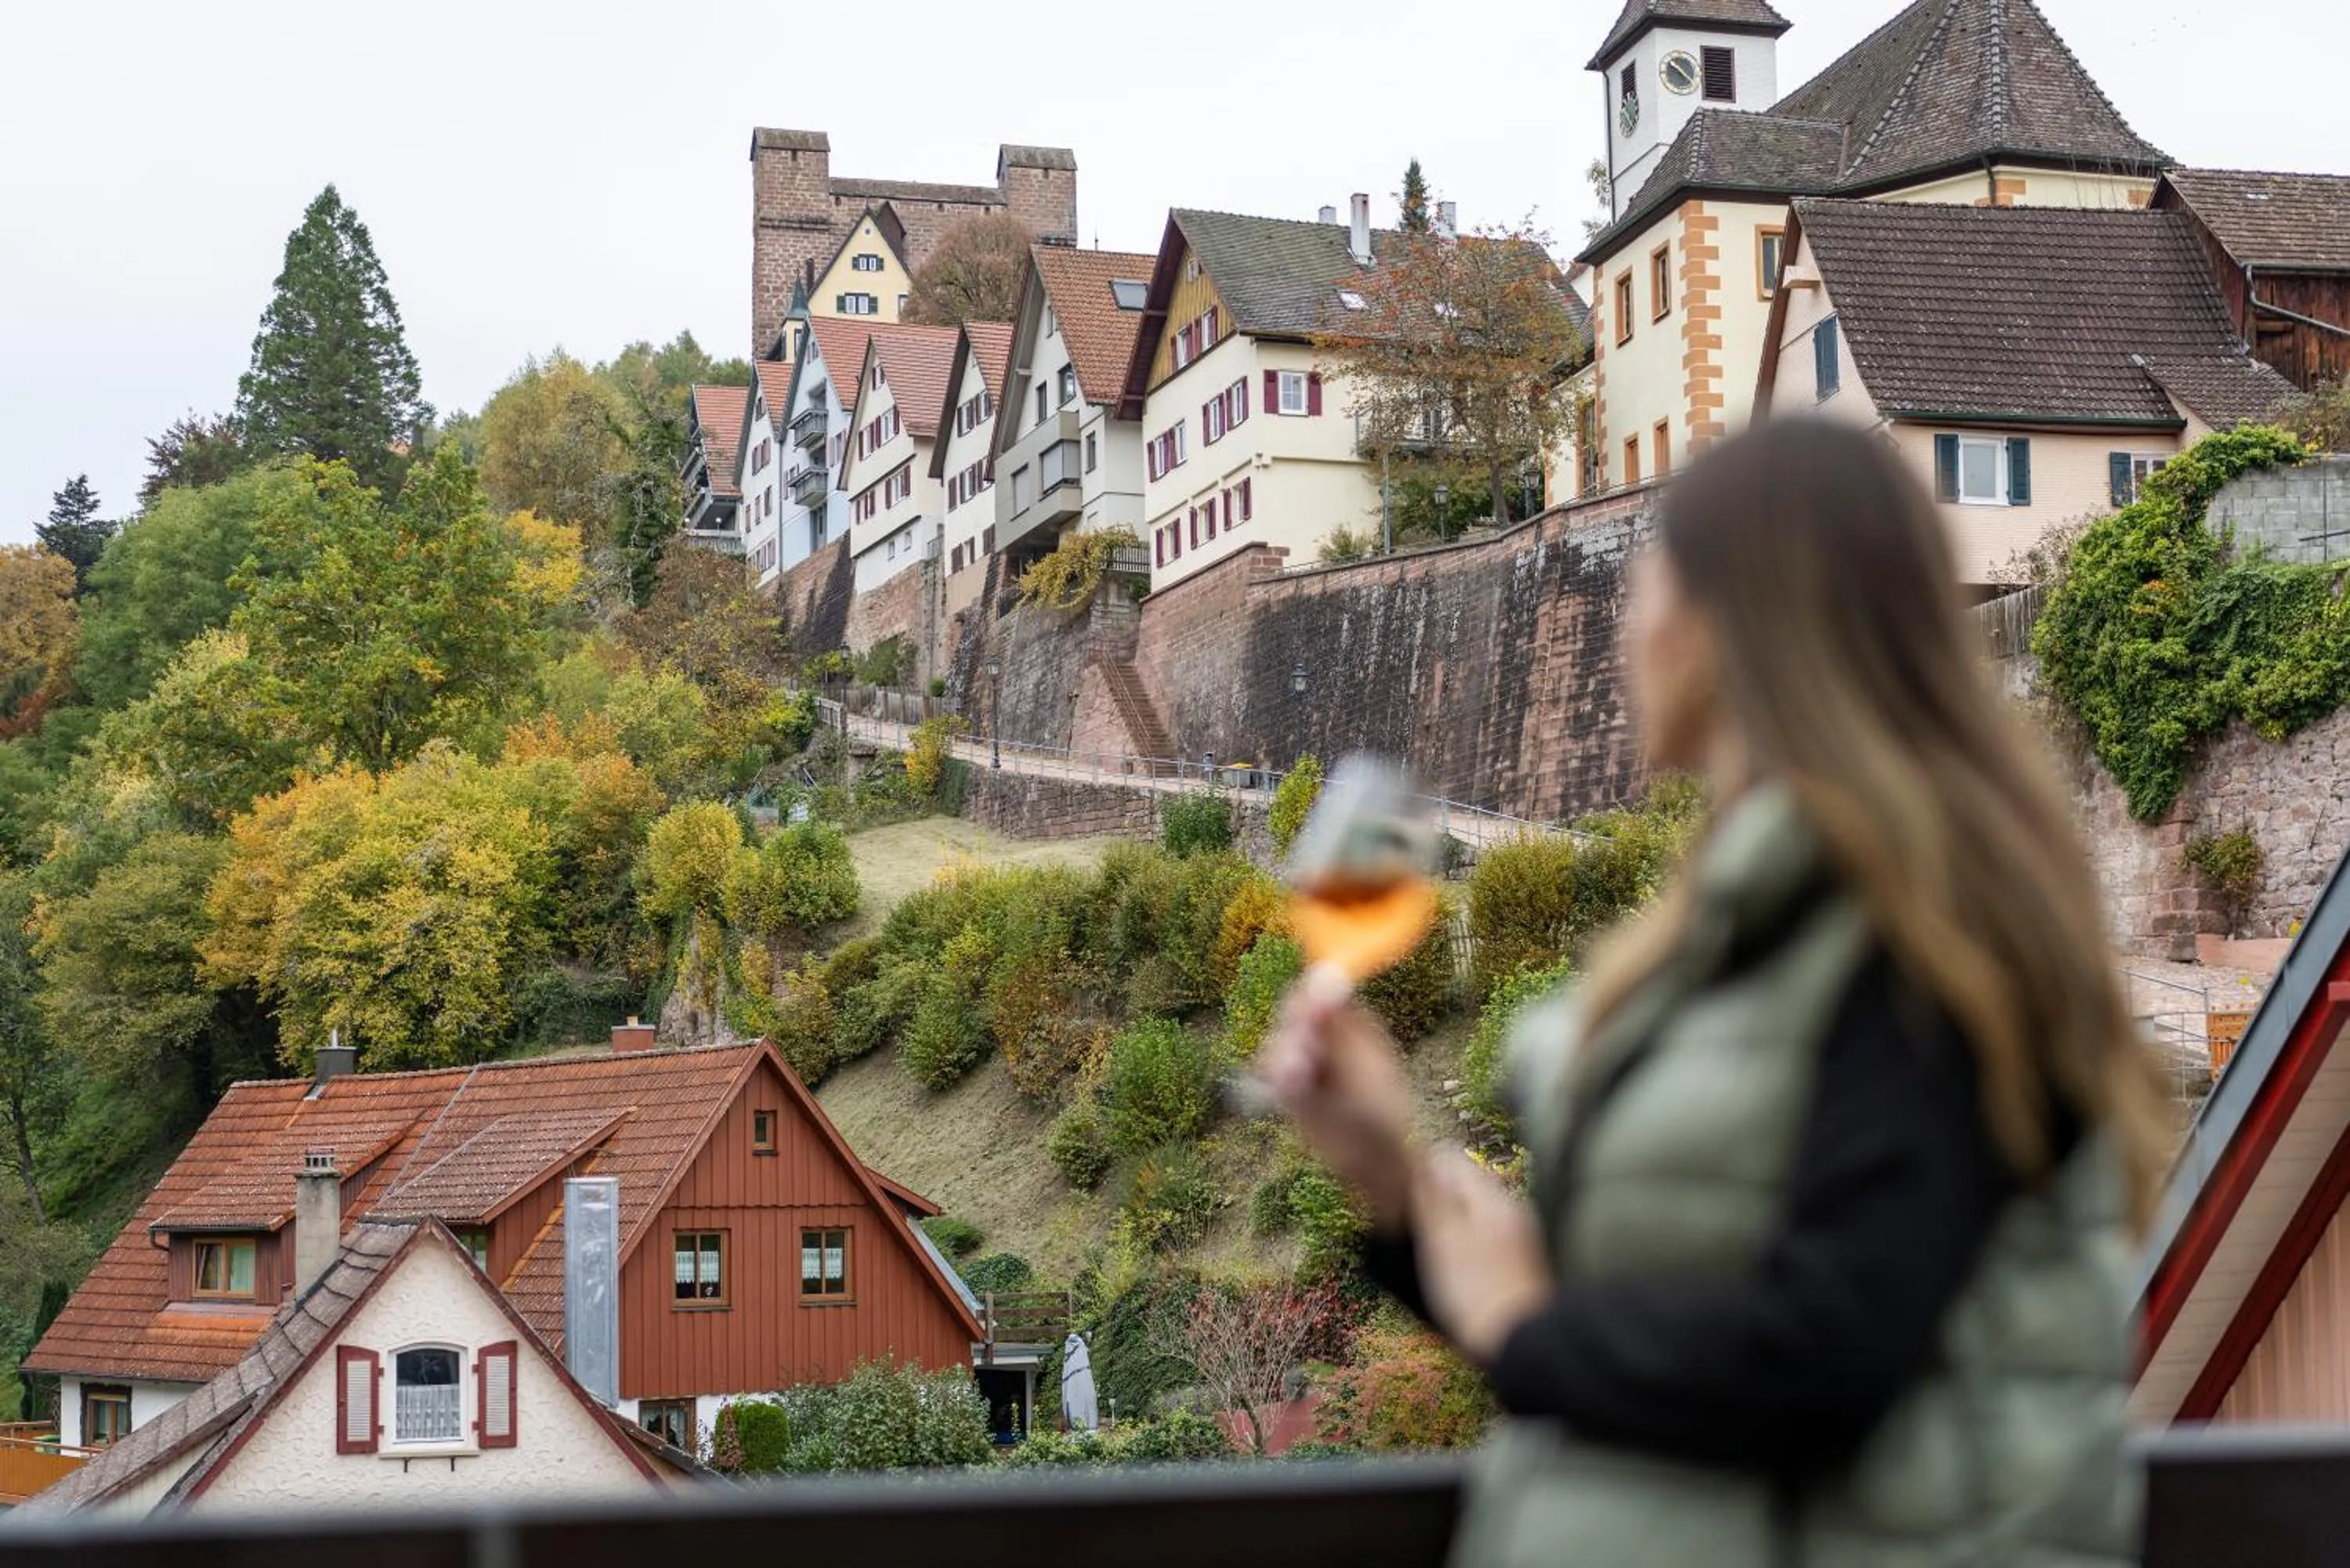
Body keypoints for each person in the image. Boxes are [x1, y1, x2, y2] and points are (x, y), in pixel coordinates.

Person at [1261, 418, 2168, 1567]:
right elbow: (1645, 1332)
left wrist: (1523, 1322)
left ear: (1720, 620)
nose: (1624, 632)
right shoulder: (1749, 927)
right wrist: (1393, 1181)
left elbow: (1824, 1352)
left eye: (1645, 586)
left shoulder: (1926, 931)